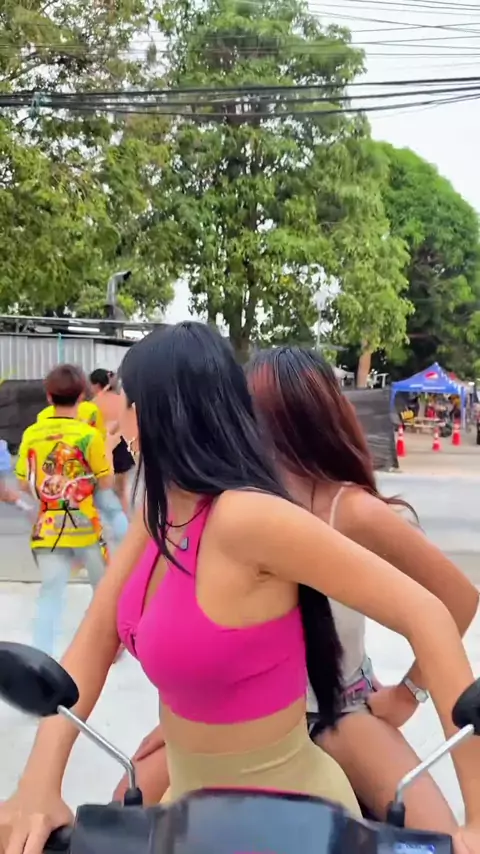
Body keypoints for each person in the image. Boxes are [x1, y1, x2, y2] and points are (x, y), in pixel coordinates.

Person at [2, 324, 480, 854]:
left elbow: (432, 610)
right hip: (195, 802)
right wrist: (38, 784)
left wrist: (472, 803)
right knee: (120, 804)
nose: (103, 406)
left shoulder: (253, 517)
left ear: (147, 410)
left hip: (301, 788)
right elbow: (93, 641)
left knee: (430, 836)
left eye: (116, 392)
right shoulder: (159, 512)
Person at [14, 364, 113, 656]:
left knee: (50, 593)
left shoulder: (32, 434)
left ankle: (41, 657)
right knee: (103, 591)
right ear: (82, 395)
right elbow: (106, 481)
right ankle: (103, 651)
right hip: (86, 528)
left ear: (48, 396)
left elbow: (23, 483)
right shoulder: (89, 435)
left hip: (47, 529)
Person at [39, 370, 129, 548]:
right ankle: (127, 548)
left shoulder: (43, 416)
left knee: (67, 513)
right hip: (90, 468)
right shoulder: (91, 410)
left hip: (60, 473)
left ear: (49, 396)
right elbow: (100, 437)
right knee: (113, 507)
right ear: (81, 393)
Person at [89, 368, 135, 515]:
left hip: (103, 446)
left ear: (96, 385)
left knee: (96, 492)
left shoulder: (94, 404)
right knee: (121, 491)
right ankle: (126, 520)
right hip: (123, 444)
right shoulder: (122, 400)